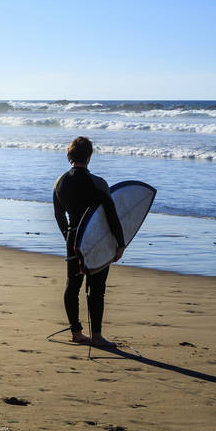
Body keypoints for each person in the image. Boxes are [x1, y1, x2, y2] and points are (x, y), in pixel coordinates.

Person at [53, 136, 125, 348]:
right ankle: (96, 336)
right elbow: (111, 215)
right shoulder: (98, 183)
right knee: (96, 288)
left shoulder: (60, 183)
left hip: (73, 238)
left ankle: (76, 332)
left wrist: (68, 237)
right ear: (89, 156)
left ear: (70, 155)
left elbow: (58, 216)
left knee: (72, 285)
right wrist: (120, 243)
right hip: (97, 240)